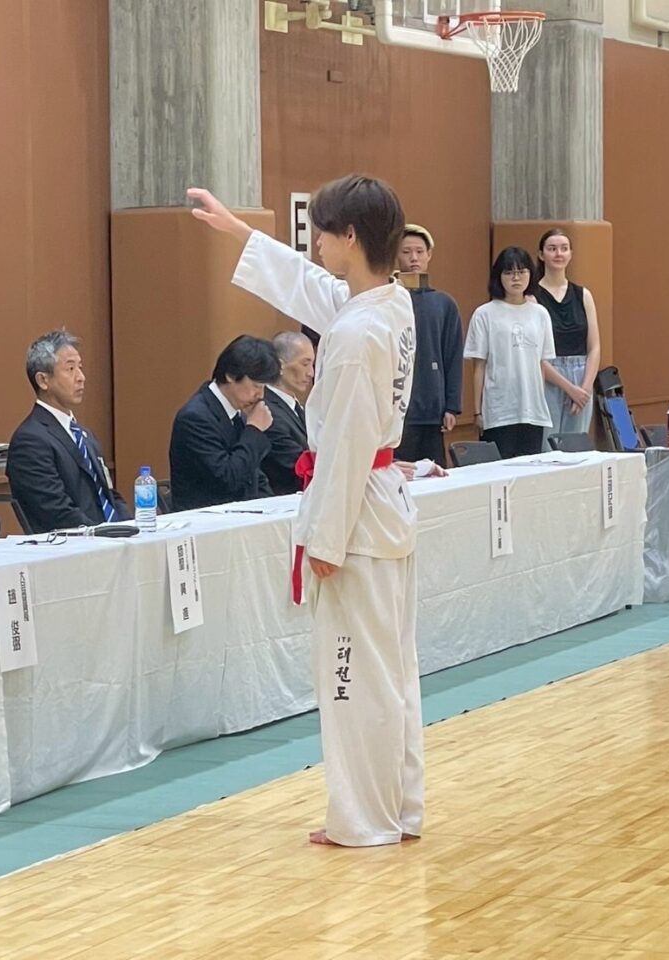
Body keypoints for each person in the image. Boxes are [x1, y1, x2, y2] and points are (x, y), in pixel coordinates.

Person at [188, 175, 423, 848]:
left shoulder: (355, 335)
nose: (315, 242)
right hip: (381, 507)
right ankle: (398, 808)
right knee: (391, 672)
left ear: (349, 235)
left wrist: (324, 539)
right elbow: (315, 289)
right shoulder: (388, 304)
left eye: (322, 231)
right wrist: (239, 231)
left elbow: (345, 443)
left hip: (356, 517)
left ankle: (365, 818)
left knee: (354, 676)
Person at [6, 330, 131, 533]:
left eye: (80, 367)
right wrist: (106, 534)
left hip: (110, 539)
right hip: (78, 543)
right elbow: (56, 512)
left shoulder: (85, 435)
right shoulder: (30, 441)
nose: (81, 377)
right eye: (70, 369)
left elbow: (109, 495)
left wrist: (131, 527)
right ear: (43, 380)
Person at [168, 335, 279, 512]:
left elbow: (254, 476)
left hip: (241, 517)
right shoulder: (195, 418)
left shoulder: (238, 413)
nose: (260, 395)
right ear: (231, 375)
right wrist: (254, 430)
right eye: (256, 386)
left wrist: (273, 508)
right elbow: (228, 479)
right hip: (204, 519)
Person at [465, 247, 556, 459]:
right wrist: (477, 411)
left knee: (531, 471)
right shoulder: (484, 314)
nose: (516, 278)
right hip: (498, 410)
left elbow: (541, 364)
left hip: (533, 411)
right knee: (499, 470)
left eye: (522, 271)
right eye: (509, 272)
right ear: (499, 276)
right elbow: (479, 367)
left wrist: (539, 401)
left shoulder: (540, 314)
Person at [394, 225, 463, 464]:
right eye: (406, 252)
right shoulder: (388, 300)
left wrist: (451, 406)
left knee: (434, 473)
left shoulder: (443, 303)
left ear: (429, 255)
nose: (413, 258)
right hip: (397, 411)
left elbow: (452, 356)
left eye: (419, 252)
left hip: (432, 410)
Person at [533, 230, 600, 448]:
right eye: (552, 249)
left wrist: (585, 389)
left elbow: (594, 346)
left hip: (581, 374)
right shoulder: (532, 297)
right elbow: (536, 354)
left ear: (571, 254)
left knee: (576, 448)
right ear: (541, 254)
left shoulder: (583, 295)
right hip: (549, 376)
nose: (558, 254)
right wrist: (569, 389)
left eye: (564, 248)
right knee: (548, 446)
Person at [262, 331, 313, 496]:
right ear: (280, 365)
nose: (311, 373)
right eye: (305, 364)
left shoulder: (296, 406)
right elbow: (298, 464)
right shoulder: (267, 412)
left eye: (312, 365)